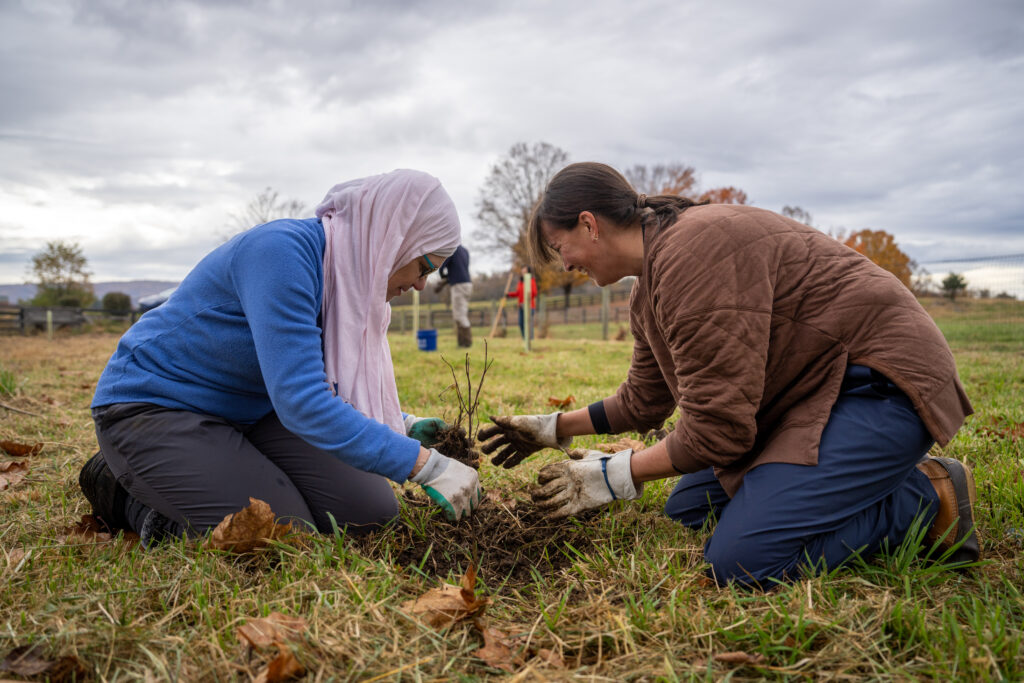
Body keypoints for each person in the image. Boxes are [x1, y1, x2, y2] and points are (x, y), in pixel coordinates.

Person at [478, 162, 977, 588]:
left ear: (589, 224)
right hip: (806, 396)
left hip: (878, 383)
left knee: (741, 562)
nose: (563, 264)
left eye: (559, 246)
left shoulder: (694, 253)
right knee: (690, 508)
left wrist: (613, 475)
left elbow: (717, 431)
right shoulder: (648, 286)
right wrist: (551, 428)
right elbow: (643, 402)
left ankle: (927, 497)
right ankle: (818, 488)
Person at [78, 170, 481, 548]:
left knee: (370, 516)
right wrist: (427, 466)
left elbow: (320, 378)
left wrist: (402, 426)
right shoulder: (282, 254)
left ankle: (228, 465)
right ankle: (122, 491)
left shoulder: (349, 284)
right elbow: (302, 401)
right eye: (424, 265)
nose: (421, 284)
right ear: (393, 239)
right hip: (160, 408)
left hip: (256, 412)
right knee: (280, 535)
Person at [435, 244, 473, 348]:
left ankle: (465, 343)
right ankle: (463, 342)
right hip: (468, 284)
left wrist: (443, 276)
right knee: (463, 313)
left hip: (458, 285)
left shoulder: (451, 249)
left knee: (459, 315)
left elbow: (442, 266)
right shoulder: (465, 250)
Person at [506, 264, 538, 340]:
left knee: (528, 324)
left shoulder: (532, 281)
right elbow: (518, 293)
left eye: (525, 271)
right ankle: (525, 338)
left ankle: (531, 339)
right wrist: (509, 294)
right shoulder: (520, 282)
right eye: (522, 271)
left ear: (528, 272)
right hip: (521, 306)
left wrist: (526, 301)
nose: (523, 273)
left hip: (529, 306)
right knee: (521, 323)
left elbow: (534, 293)